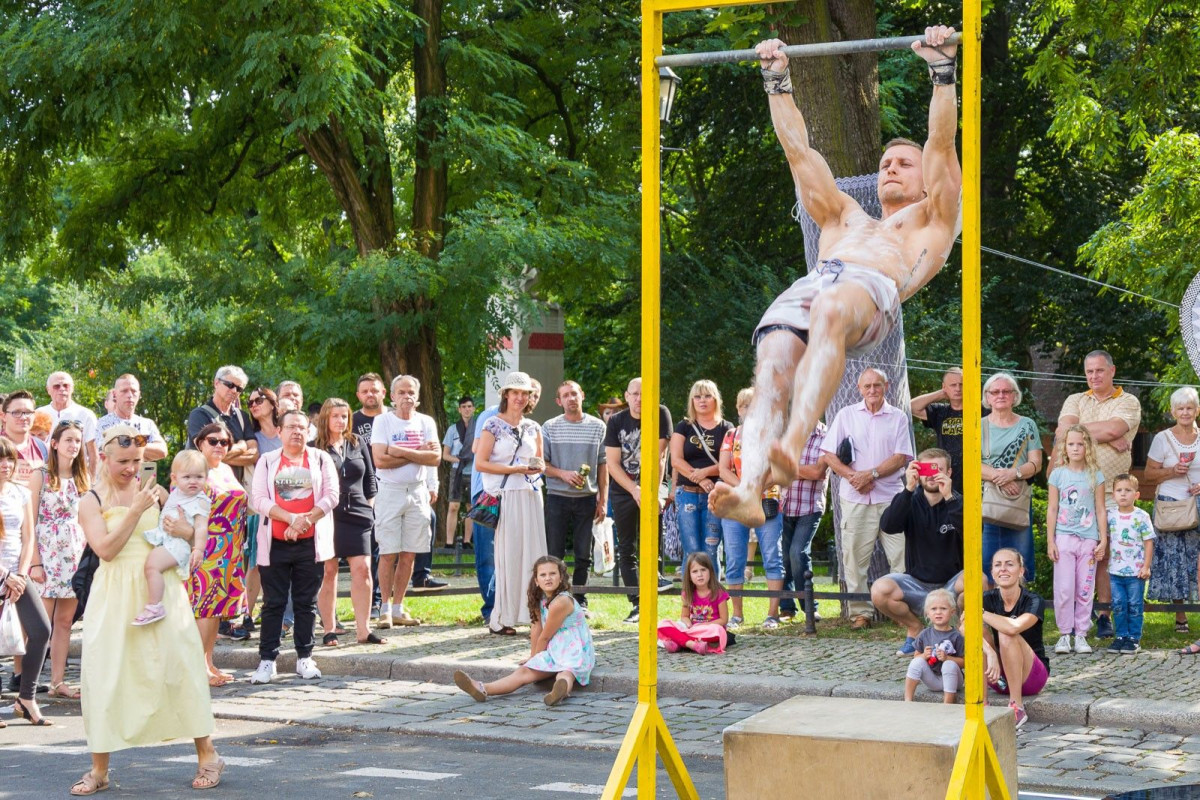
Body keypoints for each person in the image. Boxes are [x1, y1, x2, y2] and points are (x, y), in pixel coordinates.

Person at [709, 26, 962, 528]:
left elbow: (939, 143)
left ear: (923, 179)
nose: (891, 167)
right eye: (886, 161)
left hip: (872, 290)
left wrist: (942, 73)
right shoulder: (844, 216)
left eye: (903, 164)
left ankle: (796, 438)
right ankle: (750, 489)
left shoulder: (933, 219)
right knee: (772, 367)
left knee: (830, 308)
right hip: (821, 280)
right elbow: (799, 154)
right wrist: (776, 79)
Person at [74, 425, 222, 794]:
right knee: (107, 677)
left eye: (137, 461)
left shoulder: (159, 493)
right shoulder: (90, 499)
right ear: (104, 458)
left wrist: (187, 532)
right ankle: (99, 769)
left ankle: (209, 755)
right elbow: (105, 551)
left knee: (180, 669)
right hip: (113, 593)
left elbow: (188, 536)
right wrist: (134, 510)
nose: (131, 469)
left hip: (160, 588)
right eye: (123, 461)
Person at [1051, 350, 1141, 641]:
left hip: (1113, 492)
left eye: (1099, 371)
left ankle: (1104, 614)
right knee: (1075, 556)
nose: (1094, 376)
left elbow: (1113, 427)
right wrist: (1102, 435)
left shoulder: (1128, 402)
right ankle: (1080, 615)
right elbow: (1063, 430)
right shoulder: (1076, 399)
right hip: (1074, 495)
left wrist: (1084, 433)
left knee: (1105, 554)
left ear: (1112, 370)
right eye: (1089, 372)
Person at [249, 409, 340, 684]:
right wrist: (290, 519)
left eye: (302, 427)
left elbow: (332, 496)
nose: (297, 431)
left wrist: (305, 522)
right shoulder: (267, 461)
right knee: (273, 603)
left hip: (309, 544)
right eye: (290, 427)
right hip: (274, 542)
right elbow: (258, 500)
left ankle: (304, 657)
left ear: (309, 431)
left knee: (305, 603)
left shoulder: (321, 459)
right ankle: (267, 660)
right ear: (280, 431)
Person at [820, 367, 914, 628]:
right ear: (859, 389)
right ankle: (861, 613)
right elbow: (828, 454)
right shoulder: (846, 415)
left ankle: (900, 611)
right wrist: (854, 477)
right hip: (854, 498)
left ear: (887, 386)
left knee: (901, 557)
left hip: (891, 499)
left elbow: (900, 457)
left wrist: (869, 475)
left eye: (877, 385)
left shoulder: (898, 417)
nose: (872, 390)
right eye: (867, 386)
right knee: (853, 560)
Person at [452, 555, 595, 706]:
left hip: (576, 650)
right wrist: (533, 657)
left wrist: (536, 660)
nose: (548, 578)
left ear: (561, 578)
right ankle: (482, 688)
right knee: (524, 672)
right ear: (536, 580)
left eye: (553, 574)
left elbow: (545, 637)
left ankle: (560, 691)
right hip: (556, 648)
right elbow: (536, 628)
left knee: (566, 673)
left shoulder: (562, 601)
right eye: (543, 575)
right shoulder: (541, 599)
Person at [871, 449, 965, 656]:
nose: (931, 475)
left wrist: (949, 497)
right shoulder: (909, 500)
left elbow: (973, 533)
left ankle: (958, 634)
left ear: (949, 472)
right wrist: (908, 488)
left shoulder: (957, 501)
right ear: (917, 472)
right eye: (925, 469)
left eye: (937, 469)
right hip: (918, 583)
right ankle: (915, 629)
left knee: (977, 580)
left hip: (952, 582)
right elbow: (888, 526)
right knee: (880, 589)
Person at [476, 371, 548, 635]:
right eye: (515, 392)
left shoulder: (534, 427)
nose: (520, 398)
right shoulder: (492, 424)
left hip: (531, 494)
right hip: (506, 496)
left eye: (524, 393)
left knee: (534, 554)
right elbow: (480, 463)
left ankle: (534, 614)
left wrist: (536, 468)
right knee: (508, 556)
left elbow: (539, 462)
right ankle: (502, 616)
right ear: (506, 394)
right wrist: (515, 470)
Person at [179, 421, 249, 683]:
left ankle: (208, 661)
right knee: (205, 609)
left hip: (231, 549)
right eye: (213, 441)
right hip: (205, 547)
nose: (220, 446)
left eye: (224, 442)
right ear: (200, 443)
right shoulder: (193, 470)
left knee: (216, 610)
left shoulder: (228, 469)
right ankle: (198, 668)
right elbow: (179, 509)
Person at [370, 374, 439, 628]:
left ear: (418, 397)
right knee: (388, 552)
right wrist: (417, 453)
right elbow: (380, 460)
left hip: (418, 491)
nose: (406, 397)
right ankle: (384, 608)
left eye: (411, 392)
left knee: (410, 552)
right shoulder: (383, 421)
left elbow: (435, 459)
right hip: (389, 490)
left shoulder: (426, 421)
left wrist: (398, 451)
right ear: (392, 396)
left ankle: (399, 606)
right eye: (401, 392)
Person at [314, 398, 384, 646]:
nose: (341, 421)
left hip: (358, 514)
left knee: (363, 570)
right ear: (325, 418)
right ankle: (329, 629)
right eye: (335, 416)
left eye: (344, 416)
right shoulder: (315, 448)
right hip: (328, 516)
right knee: (329, 571)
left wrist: (369, 508)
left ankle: (364, 630)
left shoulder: (358, 442)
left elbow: (371, 481)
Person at [605, 377, 673, 624]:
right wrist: (634, 489)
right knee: (627, 546)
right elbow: (612, 463)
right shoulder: (616, 421)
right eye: (634, 394)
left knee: (652, 537)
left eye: (644, 394)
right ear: (626, 395)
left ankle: (654, 582)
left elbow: (660, 456)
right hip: (624, 488)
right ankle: (636, 603)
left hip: (653, 484)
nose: (639, 399)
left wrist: (651, 491)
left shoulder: (660, 413)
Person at [29, 421, 89, 699]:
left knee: (65, 622)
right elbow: (30, 522)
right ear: (54, 443)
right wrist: (35, 561)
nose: (74, 445)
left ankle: (57, 682)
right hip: (47, 553)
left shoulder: (82, 479)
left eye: (77, 440)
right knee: (40, 624)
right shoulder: (40, 475)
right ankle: (26, 683)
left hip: (74, 555)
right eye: (68, 440)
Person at [718, 388, 785, 628]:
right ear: (738, 410)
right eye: (745, 406)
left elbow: (779, 470)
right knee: (734, 560)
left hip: (767, 500)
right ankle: (736, 615)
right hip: (736, 503)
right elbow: (723, 469)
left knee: (772, 558)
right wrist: (745, 488)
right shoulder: (731, 435)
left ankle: (772, 614)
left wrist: (756, 489)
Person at [0, 436, 53, 725]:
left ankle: (26, 697)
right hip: (2, 575)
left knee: (42, 630)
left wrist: (20, 575)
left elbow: (28, 535)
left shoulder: (20, 493)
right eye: (1, 459)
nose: (5, 465)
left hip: (17, 574)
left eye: (9, 459)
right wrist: (5, 577)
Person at [542, 381, 608, 609]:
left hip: (586, 498)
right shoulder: (549, 426)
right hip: (557, 497)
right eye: (566, 395)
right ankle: (554, 600)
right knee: (554, 553)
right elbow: (542, 464)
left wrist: (603, 499)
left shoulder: (598, 426)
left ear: (583, 396)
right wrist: (563, 474)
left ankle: (580, 601)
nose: (571, 398)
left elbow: (603, 465)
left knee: (583, 554)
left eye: (574, 394)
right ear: (558, 401)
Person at [1144, 387, 1200, 637]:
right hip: (1171, 506)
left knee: (1196, 562)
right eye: (1180, 408)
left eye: (1189, 407)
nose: (1185, 412)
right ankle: (1180, 616)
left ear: (1197, 410)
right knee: (1175, 561)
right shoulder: (1162, 439)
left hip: (1198, 504)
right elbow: (1148, 474)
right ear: (1172, 411)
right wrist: (1172, 471)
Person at [1046, 424, 1107, 655]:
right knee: (1064, 588)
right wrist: (1051, 541)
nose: (1075, 448)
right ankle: (1064, 634)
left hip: (1088, 540)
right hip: (1063, 538)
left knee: (1084, 588)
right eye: (1071, 444)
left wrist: (1103, 540)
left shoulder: (1095, 474)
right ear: (1064, 446)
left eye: (1080, 444)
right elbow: (1052, 509)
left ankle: (1081, 634)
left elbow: (1100, 509)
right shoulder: (1058, 474)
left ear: (1087, 447)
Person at [132, 450, 210, 626]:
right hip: (168, 539)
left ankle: (155, 606)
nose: (193, 481)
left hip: (179, 545)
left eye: (199, 477)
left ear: (206, 477)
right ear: (175, 478)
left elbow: (201, 526)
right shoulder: (176, 493)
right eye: (187, 477)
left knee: (152, 566)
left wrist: (198, 549)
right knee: (150, 565)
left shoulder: (201, 500)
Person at [980, 372, 1042, 583]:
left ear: (1015, 396)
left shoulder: (1027, 424)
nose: (1001, 395)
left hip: (1018, 502)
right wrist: (1002, 478)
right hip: (987, 502)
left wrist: (1013, 474)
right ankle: (988, 614)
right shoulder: (978, 426)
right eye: (995, 391)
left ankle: (1019, 612)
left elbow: (1036, 463)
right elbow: (971, 464)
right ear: (987, 397)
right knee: (987, 563)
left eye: (1006, 391)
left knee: (1019, 559)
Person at [982, 548, 1049, 730]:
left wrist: (981, 613)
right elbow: (964, 627)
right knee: (976, 632)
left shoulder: (1034, 600)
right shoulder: (986, 598)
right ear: (993, 573)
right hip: (999, 677)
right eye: (998, 565)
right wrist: (989, 651)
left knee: (1006, 632)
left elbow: (1014, 627)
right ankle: (982, 704)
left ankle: (1017, 707)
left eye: (1009, 564)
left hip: (1032, 677)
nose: (1003, 569)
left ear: (1021, 571)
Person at [671, 380, 734, 569]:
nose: (702, 400)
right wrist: (700, 478)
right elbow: (676, 460)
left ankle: (713, 597)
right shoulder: (684, 426)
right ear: (692, 401)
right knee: (691, 550)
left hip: (715, 494)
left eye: (707, 396)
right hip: (687, 492)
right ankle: (690, 598)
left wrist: (706, 473)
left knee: (711, 547)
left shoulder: (726, 427)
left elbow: (729, 462)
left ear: (716, 399)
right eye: (697, 396)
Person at [778, 423, 829, 621]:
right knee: (783, 558)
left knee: (797, 553)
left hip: (810, 506)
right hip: (783, 504)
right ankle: (787, 608)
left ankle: (810, 607)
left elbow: (818, 472)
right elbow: (775, 468)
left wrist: (788, 468)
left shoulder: (826, 434)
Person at [241, 386, 282, 633]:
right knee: (255, 562)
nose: (254, 404)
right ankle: (247, 614)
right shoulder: (252, 438)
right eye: (250, 402)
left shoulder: (288, 429)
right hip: (262, 507)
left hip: (291, 503)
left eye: (259, 400)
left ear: (272, 401)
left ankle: (280, 614)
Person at [1105, 474, 1154, 655]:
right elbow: (1105, 538)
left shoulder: (1142, 516)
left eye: (1128, 490)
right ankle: (1120, 636)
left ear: (1137, 495)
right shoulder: (1110, 516)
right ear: (1113, 495)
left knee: (1134, 605)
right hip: (1115, 571)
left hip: (1135, 572)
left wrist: (1146, 566)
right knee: (1118, 604)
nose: (1123, 494)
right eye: (1119, 490)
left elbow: (1149, 542)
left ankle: (1133, 638)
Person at [186, 365, 258, 484]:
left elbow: (254, 455)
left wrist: (218, 455)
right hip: (207, 488)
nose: (234, 391)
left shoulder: (243, 417)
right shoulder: (199, 415)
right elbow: (204, 452)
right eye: (230, 385)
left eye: (239, 389)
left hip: (238, 491)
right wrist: (242, 446)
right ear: (216, 383)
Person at [352, 372, 386, 618]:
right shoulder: (350, 421)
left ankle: (392, 602)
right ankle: (374, 601)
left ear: (383, 392)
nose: (370, 394)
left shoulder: (396, 418)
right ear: (358, 395)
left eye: (374, 390)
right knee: (371, 545)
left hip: (397, 486)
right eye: (365, 391)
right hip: (365, 491)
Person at [657, 552, 732, 654]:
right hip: (692, 629)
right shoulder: (687, 593)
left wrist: (705, 625)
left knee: (717, 630)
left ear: (710, 571)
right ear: (689, 576)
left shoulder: (719, 593)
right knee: (663, 624)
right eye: (695, 571)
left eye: (703, 570)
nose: (700, 574)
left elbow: (724, 620)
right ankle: (692, 645)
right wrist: (688, 623)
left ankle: (679, 643)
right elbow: (684, 616)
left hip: (709, 630)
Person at [910, 368, 968, 494]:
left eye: (962, 384)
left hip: (973, 474)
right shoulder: (940, 411)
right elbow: (911, 407)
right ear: (944, 386)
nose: (958, 388)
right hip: (944, 473)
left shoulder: (980, 410)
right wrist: (942, 393)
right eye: (953, 385)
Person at [903, 589, 965, 704]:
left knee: (948, 664)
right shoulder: (924, 634)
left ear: (952, 612)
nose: (938, 612)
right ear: (927, 613)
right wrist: (924, 655)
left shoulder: (957, 636)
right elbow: (916, 656)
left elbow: (965, 662)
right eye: (934, 609)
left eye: (943, 608)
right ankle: (907, 700)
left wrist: (948, 658)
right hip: (933, 680)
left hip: (954, 680)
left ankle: (948, 704)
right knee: (916, 663)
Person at [95, 373, 168, 464]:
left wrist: (132, 443)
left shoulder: (147, 424)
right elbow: (106, 452)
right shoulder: (102, 424)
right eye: (124, 391)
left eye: (133, 391)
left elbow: (162, 451)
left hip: (142, 477)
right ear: (114, 394)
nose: (129, 395)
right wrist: (142, 446)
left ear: (139, 394)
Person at [37, 371, 99, 475]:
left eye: (66, 385)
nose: (62, 389)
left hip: (77, 475)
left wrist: (92, 483)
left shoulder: (86, 415)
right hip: (44, 475)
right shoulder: (39, 413)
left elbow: (93, 453)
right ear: (48, 390)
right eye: (56, 386)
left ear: (72, 388)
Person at [441, 395, 476, 548]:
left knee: (471, 507)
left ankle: (467, 540)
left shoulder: (478, 428)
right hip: (457, 471)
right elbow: (445, 455)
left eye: (469, 406)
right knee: (453, 506)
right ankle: (449, 542)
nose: (467, 409)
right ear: (459, 409)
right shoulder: (452, 429)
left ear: (473, 409)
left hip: (474, 471)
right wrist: (460, 460)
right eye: (464, 407)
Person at [4, 390, 48, 486]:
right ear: (4, 416)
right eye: (16, 412)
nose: (23, 417)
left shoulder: (43, 448)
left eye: (28, 412)